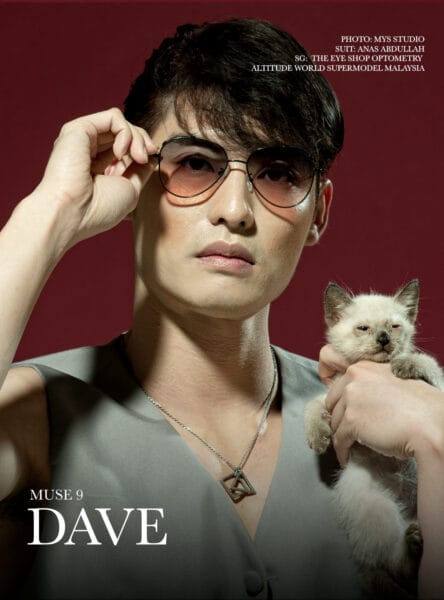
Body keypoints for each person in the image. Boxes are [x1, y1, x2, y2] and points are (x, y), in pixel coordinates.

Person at [0, 17, 442, 600]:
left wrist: (438, 445)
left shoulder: (401, 412)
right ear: (133, 177)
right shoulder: (32, 410)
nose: (235, 210)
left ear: (319, 213)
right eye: (195, 163)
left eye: (277, 173)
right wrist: (51, 211)